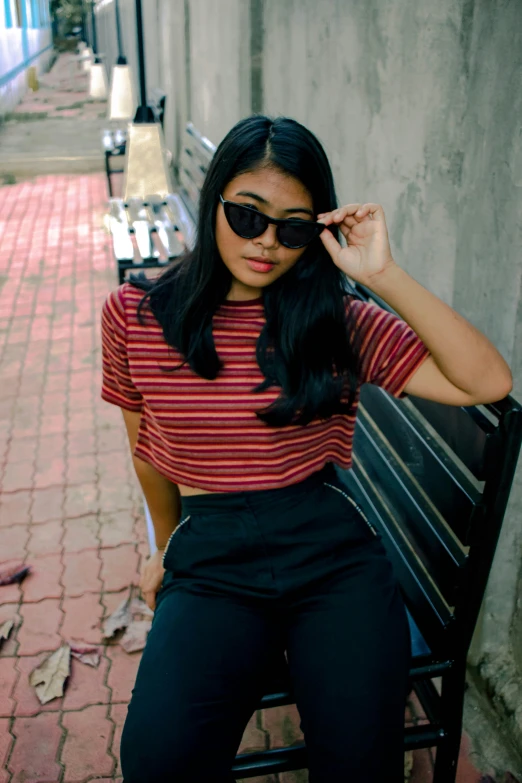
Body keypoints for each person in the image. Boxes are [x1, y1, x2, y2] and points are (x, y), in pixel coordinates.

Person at [100, 115, 512, 783]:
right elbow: (147, 449)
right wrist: (166, 543)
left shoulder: (334, 320)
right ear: (214, 202)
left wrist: (385, 274)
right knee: (156, 760)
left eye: (293, 227)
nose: (267, 243)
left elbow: (487, 380)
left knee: (359, 767)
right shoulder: (137, 315)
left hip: (331, 557)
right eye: (248, 216)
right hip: (212, 562)